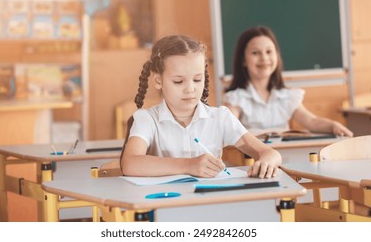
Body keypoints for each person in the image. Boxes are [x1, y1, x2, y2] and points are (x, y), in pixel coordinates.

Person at [120, 34, 281, 179]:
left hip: (209, 203)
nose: (190, 89)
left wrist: (266, 161)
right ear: (158, 81)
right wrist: (189, 165)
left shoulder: (220, 118)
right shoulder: (147, 119)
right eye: (178, 81)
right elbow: (130, 163)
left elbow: (270, 153)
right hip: (165, 206)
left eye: (197, 80)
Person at [223, 26, 353, 137]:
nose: (264, 58)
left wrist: (333, 125)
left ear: (277, 56)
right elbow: (228, 127)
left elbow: (311, 121)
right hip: (252, 161)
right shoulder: (236, 98)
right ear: (243, 60)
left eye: (269, 51)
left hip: (283, 159)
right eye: (255, 53)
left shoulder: (287, 96)